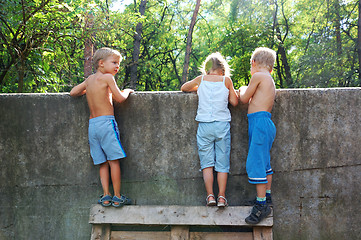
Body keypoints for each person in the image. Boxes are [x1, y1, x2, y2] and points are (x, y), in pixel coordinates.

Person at [70, 47, 134, 207]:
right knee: (113, 161)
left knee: (102, 162)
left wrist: (88, 90)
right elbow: (119, 98)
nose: (117, 66)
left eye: (118, 63)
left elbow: (73, 92)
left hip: (93, 126)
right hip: (106, 123)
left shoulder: (89, 80)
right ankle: (117, 196)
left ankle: (106, 196)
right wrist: (127, 91)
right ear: (101, 63)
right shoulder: (108, 78)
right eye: (114, 63)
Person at [181, 52, 239, 207]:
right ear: (223, 69)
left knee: (207, 163)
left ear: (206, 69)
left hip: (204, 125)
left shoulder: (201, 80)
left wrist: (198, 88)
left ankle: (210, 196)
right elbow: (234, 101)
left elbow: (184, 88)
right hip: (222, 125)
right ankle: (221, 197)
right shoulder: (226, 81)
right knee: (222, 162)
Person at [238, 47, 277, 224]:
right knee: (265, 163)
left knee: (256, 163)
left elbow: (244, 98)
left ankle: (261, 206)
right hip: (265, 123)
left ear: (253, 63)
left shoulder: (258, 76)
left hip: (259, 123)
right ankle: (266, 198)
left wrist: (241, 88)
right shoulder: (269, 79)